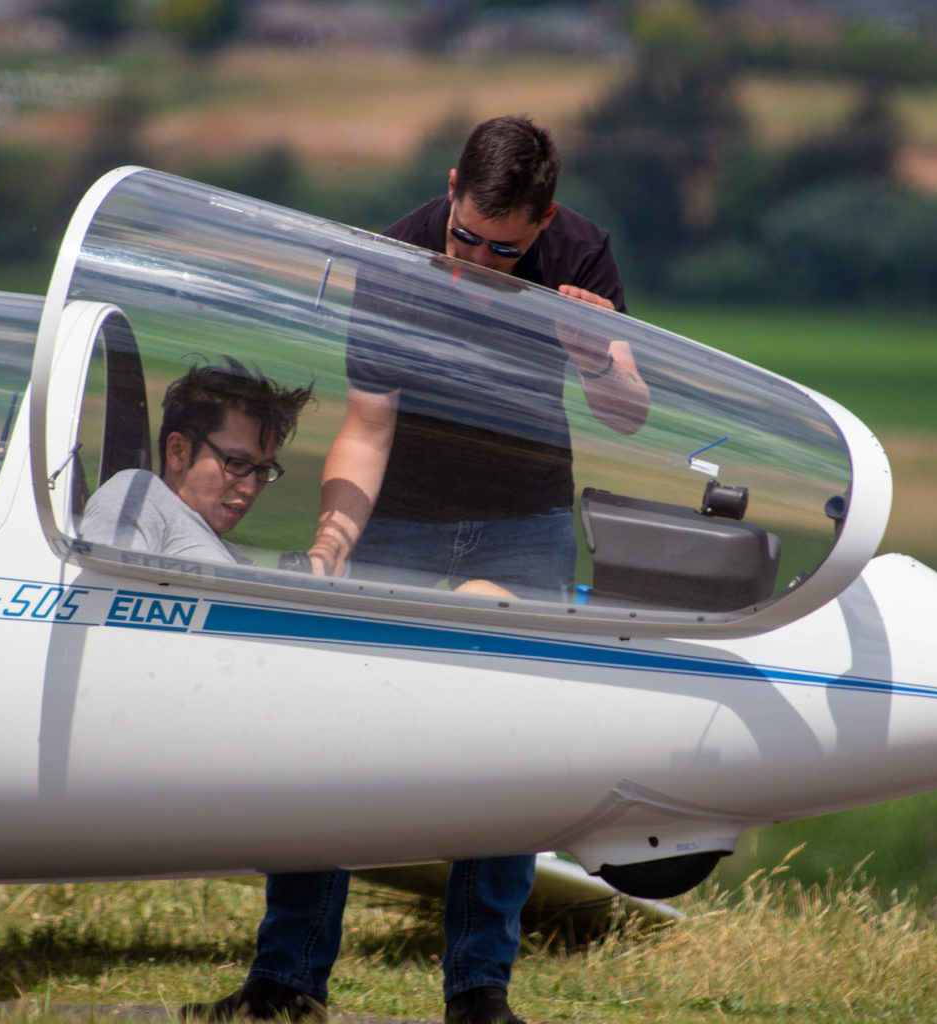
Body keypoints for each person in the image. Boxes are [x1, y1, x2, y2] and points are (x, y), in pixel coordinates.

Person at [182, 116, 649, 1024]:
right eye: (464, 237)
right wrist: (331, 546)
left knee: (508, 748)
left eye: (505, 250)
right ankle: (287, 980)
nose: (477, 262)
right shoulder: (395, 257)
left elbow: (627, 411)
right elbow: (368, 426)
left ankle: (479, 992)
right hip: (398, 518)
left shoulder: (581, 256)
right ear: (451, 190)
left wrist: (594, 353)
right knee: (332, 737)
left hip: (524, 518)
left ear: (545, 221)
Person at [78, 357, 312, 564]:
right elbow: (105, 584)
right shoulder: (138, 495)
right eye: (237, 463)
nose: (250, 488)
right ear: (178, 451)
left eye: (263, 469)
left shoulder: (229, 553)